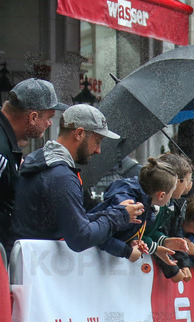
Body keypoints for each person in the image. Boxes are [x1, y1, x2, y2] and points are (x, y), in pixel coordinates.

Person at [9, 104, 144, 255]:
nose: (98, 150)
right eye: (97, 141)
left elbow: (69, 222)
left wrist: (116, 212)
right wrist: (120, 216)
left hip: (27, 262)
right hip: (35, 269)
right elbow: (81, 237)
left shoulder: (44, 162)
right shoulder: (62, 176)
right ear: (79, 133)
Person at [1, 79, 66, 249]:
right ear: (33, 117)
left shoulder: (6, 145)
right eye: (49, 117)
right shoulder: (2, 151)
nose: (50, 123)